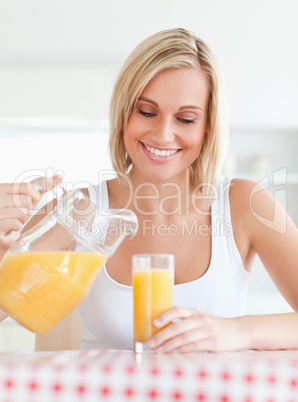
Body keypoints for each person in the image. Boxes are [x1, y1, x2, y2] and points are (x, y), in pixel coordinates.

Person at [0, 28, 298, 352]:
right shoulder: (79, 212)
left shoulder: (244, 204)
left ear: (208, 124)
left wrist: (239, 332)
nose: (162, 135)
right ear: (124, 113)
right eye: (146, 112)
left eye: (185, 119)